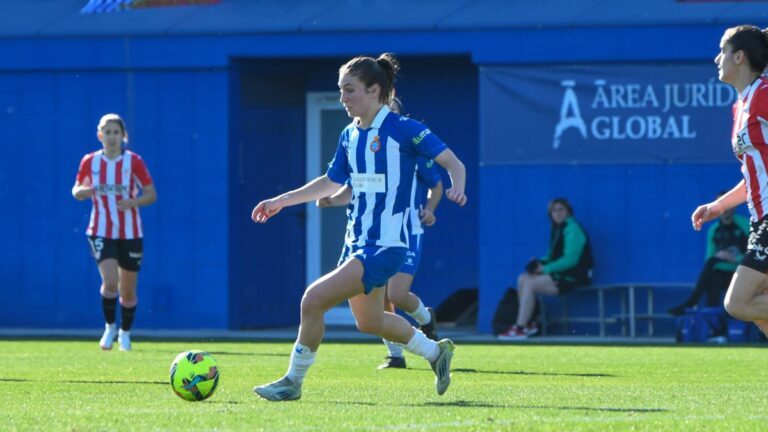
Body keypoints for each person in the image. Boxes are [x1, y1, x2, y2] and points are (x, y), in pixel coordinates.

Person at [250, 53, 467, 401]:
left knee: (313, 299)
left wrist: (458, 186)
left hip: (386, 246)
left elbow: (452, 162)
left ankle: (292, 381)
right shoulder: (349, 135)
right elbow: (329, 181)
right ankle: (436, 352)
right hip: (356, 243)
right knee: (370, 322)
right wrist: (281, 200)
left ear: (375, 90)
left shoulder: (404, 129)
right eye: (340, 90)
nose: (343, 98)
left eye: (349, 90)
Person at [317, 96, 443, 370]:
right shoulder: (358, 144)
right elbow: (350, 186)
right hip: (370, 236)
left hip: (406, 229)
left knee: (396, 294)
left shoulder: (409, 144)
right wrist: (332, 199)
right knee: (379, 302)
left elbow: (437, 184)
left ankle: (425, 319)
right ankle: (396, 355)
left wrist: (430, 209)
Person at [691, 25, 768, 337]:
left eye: (721, 51)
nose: (715, 58)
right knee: (761, 313)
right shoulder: (741, 105)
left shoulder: (763, 94)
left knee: (738, 303)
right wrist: (718, 205)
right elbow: (754, 174)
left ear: (739, 56)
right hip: (759, 219)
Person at [71, 113, 157, 351]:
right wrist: (82, 192)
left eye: (115, 132)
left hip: (130, 233)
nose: (111, 137)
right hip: (100, 230)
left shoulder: (134, 161)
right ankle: (109, 327)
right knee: (110, 282)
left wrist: (132, 202)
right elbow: (76, 189)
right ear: (100, 135)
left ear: (123, 135)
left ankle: (125, 333)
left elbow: (151, 193)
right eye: (107, 132)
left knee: (127, 289)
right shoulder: (90, 161)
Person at [498, 198, 593, 340]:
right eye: (554, 210)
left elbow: (570, 260)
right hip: (561, 274)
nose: (558, 213)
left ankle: (520, 328)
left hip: (574, 276)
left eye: (561, 209)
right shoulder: (557, 228)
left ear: (568, 212)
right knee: (523, 278)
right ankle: (529, 324)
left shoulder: (572, 229)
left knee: (530, 283)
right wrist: (538, 262)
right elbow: (552, 255)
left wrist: (545, 269)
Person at [669, 192, 749, 316]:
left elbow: (755, 254)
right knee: (713, 278)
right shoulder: (714, 229)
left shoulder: (745, 225)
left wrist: (734, 258)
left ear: (733, 206)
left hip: (743, 271)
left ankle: (691, 303)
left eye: (727, 206)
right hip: (721, 272)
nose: (724, 211)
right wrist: (721, 257)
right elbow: (710, 259)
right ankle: (715, 327)